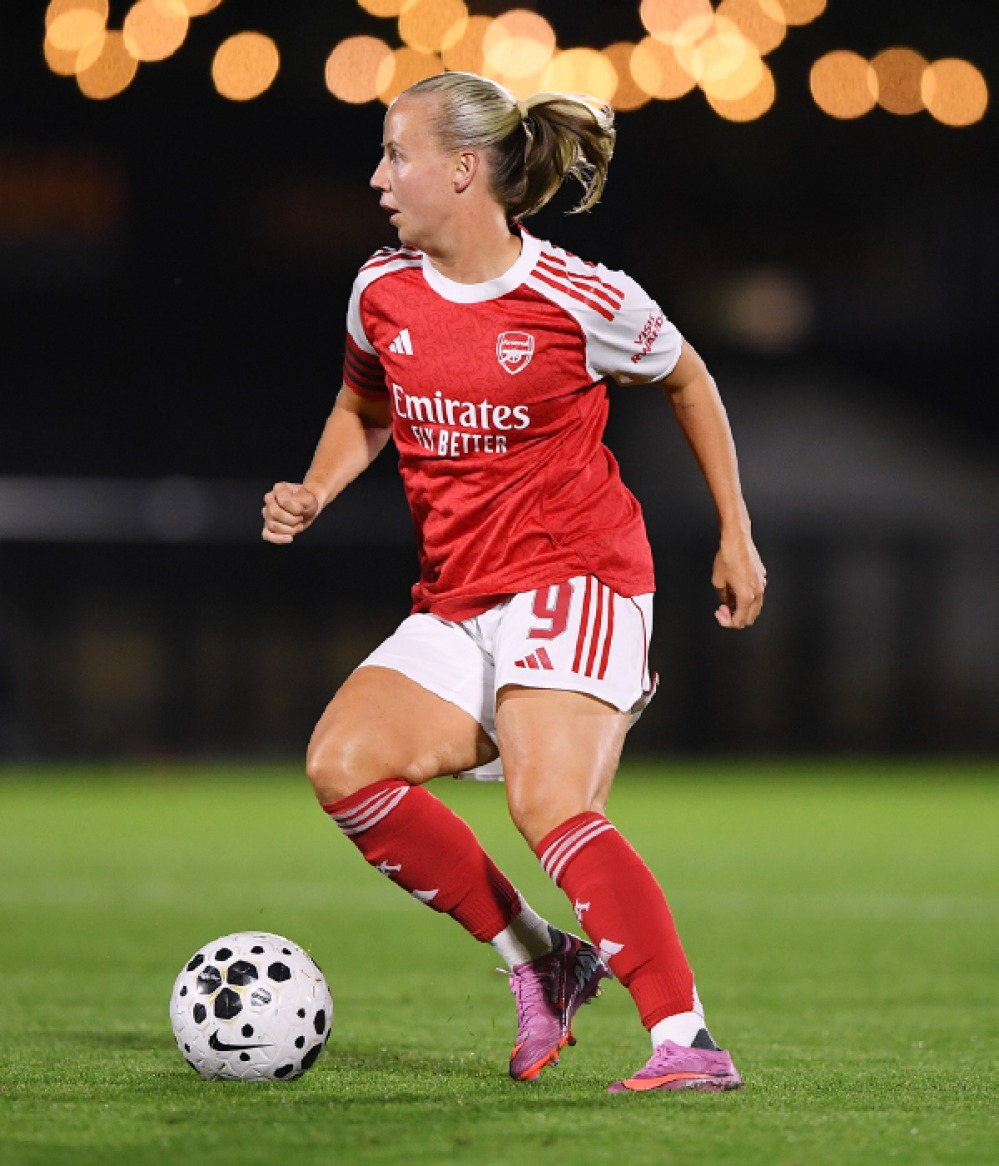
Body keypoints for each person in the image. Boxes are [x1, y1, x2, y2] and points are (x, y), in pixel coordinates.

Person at [261, 70, 766, 1094]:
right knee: (343, 762)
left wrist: (736, 533)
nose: (377, 178)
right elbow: (363, 407)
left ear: (464, 168)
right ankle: (543, 955)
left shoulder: (578, 297)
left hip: (577, 576)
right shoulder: (381, 288)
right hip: (459, 594)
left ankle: (687, 1039)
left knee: (547, 800)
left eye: (396, 155)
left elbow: (688, 376)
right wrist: (315, 488)